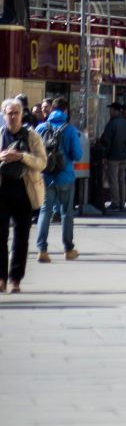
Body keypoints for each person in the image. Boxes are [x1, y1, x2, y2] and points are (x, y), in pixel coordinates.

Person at [0, 97, 47, 294]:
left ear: (21, 115)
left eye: (15, 113)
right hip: (2, 194)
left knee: (21, 238)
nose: (12, 117)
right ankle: (1, 278)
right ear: (3, 116)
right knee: (0, 237)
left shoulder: (32, 136)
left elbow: (42, 162)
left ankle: (16, 279)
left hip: (25, 194)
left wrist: (21, 156)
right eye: (9, 113)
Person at [35, 96, 83, 262]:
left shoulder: (40, 128)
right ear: (65, 110)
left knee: (45, 211)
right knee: (66, 213)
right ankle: (68, 249)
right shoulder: (69, 130)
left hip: (45, 175)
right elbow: (77, 154)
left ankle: (42, 249)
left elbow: (33, 151)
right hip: (65, 176)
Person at [100, 104, 126, 210]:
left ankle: (115, 202)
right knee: (121, 179)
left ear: (115, 111)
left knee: (113, 180)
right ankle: (122, 202)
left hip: (113, 156)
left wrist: (104, 155)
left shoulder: (112, 124)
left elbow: (106, 140)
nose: (110, 112)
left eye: (111, 110)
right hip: (124, 155)